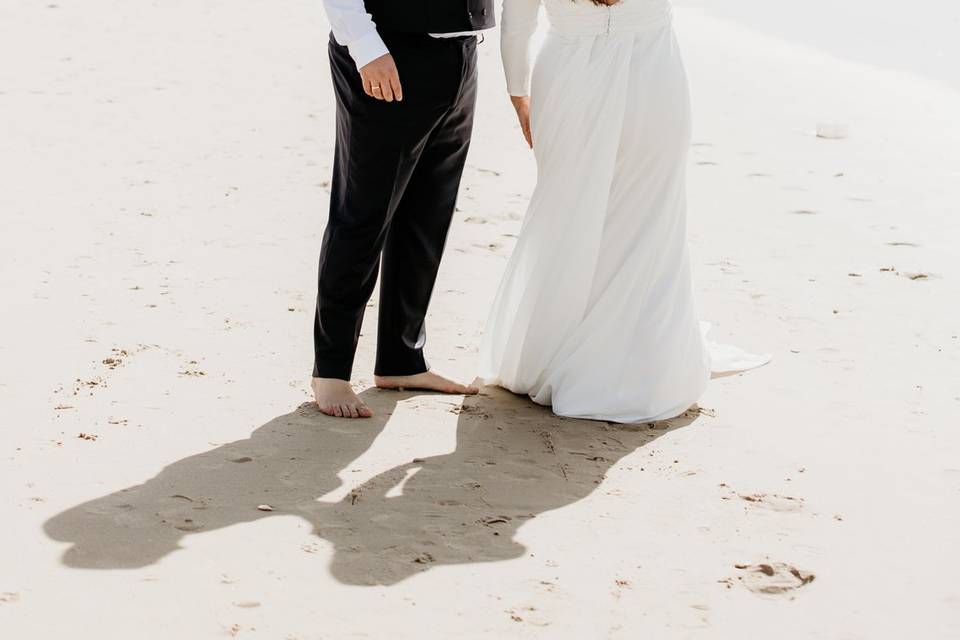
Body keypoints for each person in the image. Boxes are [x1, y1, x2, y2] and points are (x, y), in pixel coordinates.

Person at [481, 0, 770, 423]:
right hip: (651, 72)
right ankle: (635, 352)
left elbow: (517, 25)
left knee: (566, 213)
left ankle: (550, 348)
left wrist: (517, 93)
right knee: (648, 213)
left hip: (568, 78)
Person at [313, 0, 495, 418]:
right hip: (387, 51)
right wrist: (364, 45)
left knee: (428, 215)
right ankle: (331, 372)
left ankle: (402, 359)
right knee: (363, 214)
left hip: (462, 51)